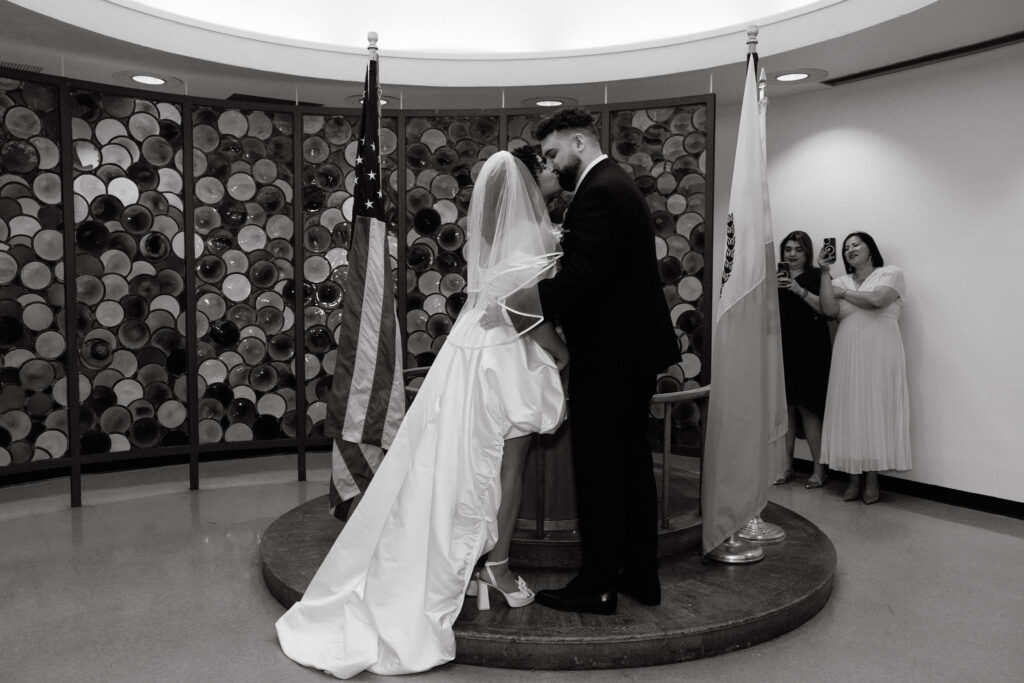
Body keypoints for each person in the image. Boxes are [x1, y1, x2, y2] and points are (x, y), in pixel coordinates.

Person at [276, 151, 568, 678]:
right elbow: (517, 308)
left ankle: (473, 559)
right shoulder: (531, 232)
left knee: (449, 457)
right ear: (526, 186)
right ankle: (496, 569)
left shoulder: (486, 232)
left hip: (468, 348)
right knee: (507, 466)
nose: (550, 175)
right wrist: (562, 351)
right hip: (503, 355)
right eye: (541, 170)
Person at [487, 108, 678, 615]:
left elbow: (582, 279)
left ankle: (597, 583)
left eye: (552, 154)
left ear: (578, 142)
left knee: (599, 469)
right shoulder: (615, 184)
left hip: (612, 354)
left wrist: (516, 305)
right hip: (629, 349)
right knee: (632, 466)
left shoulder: (601, 192)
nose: (549, 164)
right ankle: (640, 574)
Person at [817, 231, 911, 504]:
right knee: (851, 411)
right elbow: (828, 310)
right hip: (848, 352)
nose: (850, 249)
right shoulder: (837, 279)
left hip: (881, 352)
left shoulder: (890, 273)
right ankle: (853, 477)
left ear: (871, 249)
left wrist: (844, 293)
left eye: (856, 244)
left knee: (876, 409)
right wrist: (824, 272)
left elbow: (877, 301)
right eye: (846, 247)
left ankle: (872, 477)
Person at [775, 230, 832, 488]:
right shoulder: (776, 278)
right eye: (788, 249)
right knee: (785, 410)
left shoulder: (815, 276)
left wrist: (798, 290)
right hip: (783, 349)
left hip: (811, 350)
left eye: (798, 250)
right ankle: (786, 467)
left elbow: (827, 311)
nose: (793, 254)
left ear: (807, 252)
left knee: (809, 409)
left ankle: (819, 470)